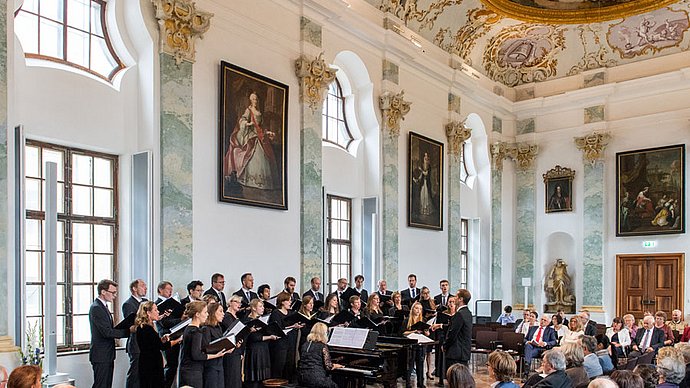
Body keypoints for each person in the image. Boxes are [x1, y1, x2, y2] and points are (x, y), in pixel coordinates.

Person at [224, 91, 278, 190]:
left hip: (259, 135)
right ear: (250, 100)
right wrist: (248, 124)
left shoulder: (260, 113)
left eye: (256, 99)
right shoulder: (249, 110)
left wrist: (268, 132)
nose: (255, 101)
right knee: (254, 152)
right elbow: (242, 120)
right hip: (251, 135)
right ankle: (249, 179)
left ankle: (261, 181)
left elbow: (262, 127)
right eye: (253, 99)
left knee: (263, 155)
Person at [89, 279, 129, 388]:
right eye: (112, 292)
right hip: (101, 355)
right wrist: (128, 331)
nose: (115, 295)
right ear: (103, 292)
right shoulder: (97, 308)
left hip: (106, 354)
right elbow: (106, 332)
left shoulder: (103, 307)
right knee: (101, 385)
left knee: (106, 384)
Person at [178, 301, 228, 387]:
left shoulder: (189, 328)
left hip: (189, 370)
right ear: (197, 314)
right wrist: (216, 355)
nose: (207, 315)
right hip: (193, 372)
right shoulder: (196, 331)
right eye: (205, 312)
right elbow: (196, 355)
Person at [134, 301, 182, 388]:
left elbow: (153, 343)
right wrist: (178, 339)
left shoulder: (145, 327)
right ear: (148, 313)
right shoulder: (146, 328)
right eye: (155, 310)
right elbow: (161, 346)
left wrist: (162, 339)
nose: (158, 312)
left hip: (148, 361)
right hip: (151, 363)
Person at [243, 299, 278, 388]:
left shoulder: (263, 319)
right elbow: (253, 338)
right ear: (254, 308)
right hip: (254, 351)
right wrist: (270, 337)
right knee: (254, 379)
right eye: (260, 306)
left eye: (263, 306)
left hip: (264, 349)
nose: (263, 308)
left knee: (264, 379)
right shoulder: (247, 320)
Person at [269, 292, 304, 380]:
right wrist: (292, 326)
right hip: (280, 344)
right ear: (282, 302)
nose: (290, 302)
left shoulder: (290, 313)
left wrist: (297, 325)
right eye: (288, 301)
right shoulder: (276, 313)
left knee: (290, 365)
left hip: (290, 342)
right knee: (279, 366)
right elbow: (277, 328)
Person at [297, 323, 344, 388]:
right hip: (317, 379)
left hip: (302, 378)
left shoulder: (305, 345)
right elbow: (329, 366)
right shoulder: (323, 346)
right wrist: (336, 365)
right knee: (335, 386)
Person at [154, 281, 180, 388]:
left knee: (174, 365)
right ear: (160, 290)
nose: (170, 292)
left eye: (171, 290)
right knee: (170, 364)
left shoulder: (172, 303)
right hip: (166, 336)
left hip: (176, 335)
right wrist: (180, 319)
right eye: (168, 289)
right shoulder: (157, 305)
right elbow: (163, 322)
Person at [123, 279, 148, 388]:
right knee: (135, 374)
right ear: (134, 288)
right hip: (136, 344)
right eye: (142, 286)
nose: (145, 288)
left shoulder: (145, 301)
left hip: (146, 343)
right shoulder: (128, 304)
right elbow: (133, 323)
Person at [202, 301, 230, 388]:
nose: (223, 314)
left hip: (219, 364)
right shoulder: (206, 329)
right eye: (220, 311)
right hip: (210, 366)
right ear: (213, 313)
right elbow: (205, 349)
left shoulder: (218, 327)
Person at [402, 301, 430, 388]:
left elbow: (428, 334)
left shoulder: (423, 320)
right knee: (410, 365)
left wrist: (426, 331)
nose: (418, 310)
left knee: (420, 365)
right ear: (412, 309)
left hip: (421, 345)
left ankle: (420, 383)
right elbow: (403, 332)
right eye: (417, 308)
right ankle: (408, 383)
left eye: (420, 309)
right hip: (411, 346)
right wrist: (413, 331)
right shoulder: (407, 320)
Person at [444, 289, 472, 369]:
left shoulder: (459, 314)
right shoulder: (468, 313)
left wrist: (445, 345)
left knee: (454, 378)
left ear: (461, 299)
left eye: (456, 296)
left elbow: (453, 333)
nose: (454, 298)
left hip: (456, 353)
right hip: (463, 352)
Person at [221, 295, 244, 388]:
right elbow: (230, 333)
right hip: (230, 350)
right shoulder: (227, 316)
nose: (239, 304)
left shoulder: (236, 316)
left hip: (237, 349)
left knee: (236, 377)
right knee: (232, 377)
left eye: (240, 303)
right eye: (236, 302)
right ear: (230, 303)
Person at [412, 152, 435, 216]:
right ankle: (422, 210)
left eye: (427, 157)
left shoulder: (429, 166)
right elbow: (421, 175)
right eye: (425, 157)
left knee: (426, 195)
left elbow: (426, 173)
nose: (426, 158)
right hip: (423, 183)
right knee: (422, 195)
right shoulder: (422, 165)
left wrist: (421, 170)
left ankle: (427, 210)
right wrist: (417, 179)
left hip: (427, 183)